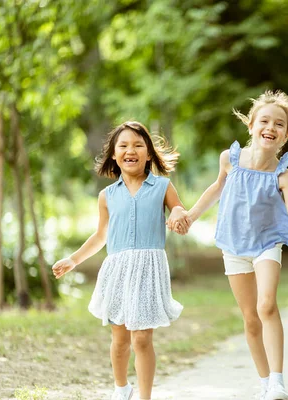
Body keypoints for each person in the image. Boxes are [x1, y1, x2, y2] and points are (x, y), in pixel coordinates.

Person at [168, 90, 288, 400]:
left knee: (266, 305)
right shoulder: (230, 159)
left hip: (267, 244)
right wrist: (191, 216)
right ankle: (264, 383)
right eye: (264, 120)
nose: (270, 128)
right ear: (250, 125)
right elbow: (215, 189)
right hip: (234, 246)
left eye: (279, 124)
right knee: (250, 319)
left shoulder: (283, 176)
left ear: (287, 134)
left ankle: (278, 381)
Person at [52, 121, 187, 400]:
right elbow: (101, 235)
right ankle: (121, 388)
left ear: (149, 153)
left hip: (149, 269)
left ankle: (145, 397)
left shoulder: (163, 186)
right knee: (120, 339)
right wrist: (73, 260)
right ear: (114, 154)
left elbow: (179, 210)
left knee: (142, 338)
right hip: (117, 270)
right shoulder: (107, 196)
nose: (131, 150)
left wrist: (176, 215)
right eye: (123, 145)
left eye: (138, 145)